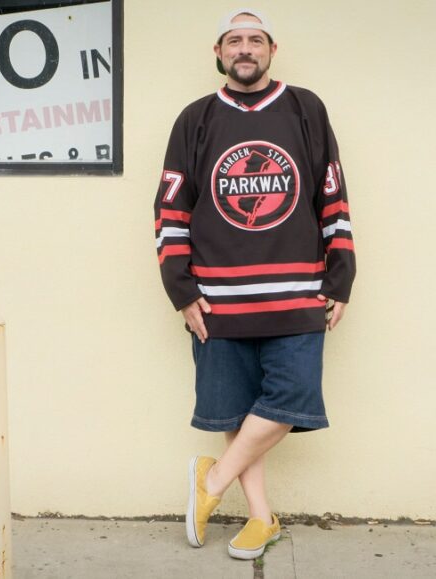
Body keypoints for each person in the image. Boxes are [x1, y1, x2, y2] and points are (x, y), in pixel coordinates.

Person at [153, 7, 356, 560]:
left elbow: (332, 196)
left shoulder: (306, 109)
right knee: (236, 413)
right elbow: (171, 210)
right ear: (219, 53)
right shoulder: (195, 119)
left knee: (292, 398)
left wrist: (340, 277)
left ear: (271, 49)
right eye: (234, 41)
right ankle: (261, 518)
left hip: (297, 290)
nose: (245, 49)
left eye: (255, 40)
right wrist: (182, 290)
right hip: (217, 298)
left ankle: (213, 481)